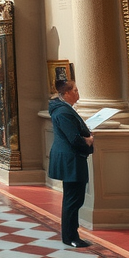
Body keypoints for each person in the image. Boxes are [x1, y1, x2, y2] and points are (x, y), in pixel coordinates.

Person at [48, 79, 95, 248]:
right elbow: (74, 139)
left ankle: (71, 234)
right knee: (73, 200)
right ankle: (70, 237)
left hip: (70, 159)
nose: (77, 93)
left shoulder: (64, 109)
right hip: (71, 160)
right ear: (66, 93)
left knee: (73, 198)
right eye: (75, 90)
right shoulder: (63, 112)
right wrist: (88, 140)